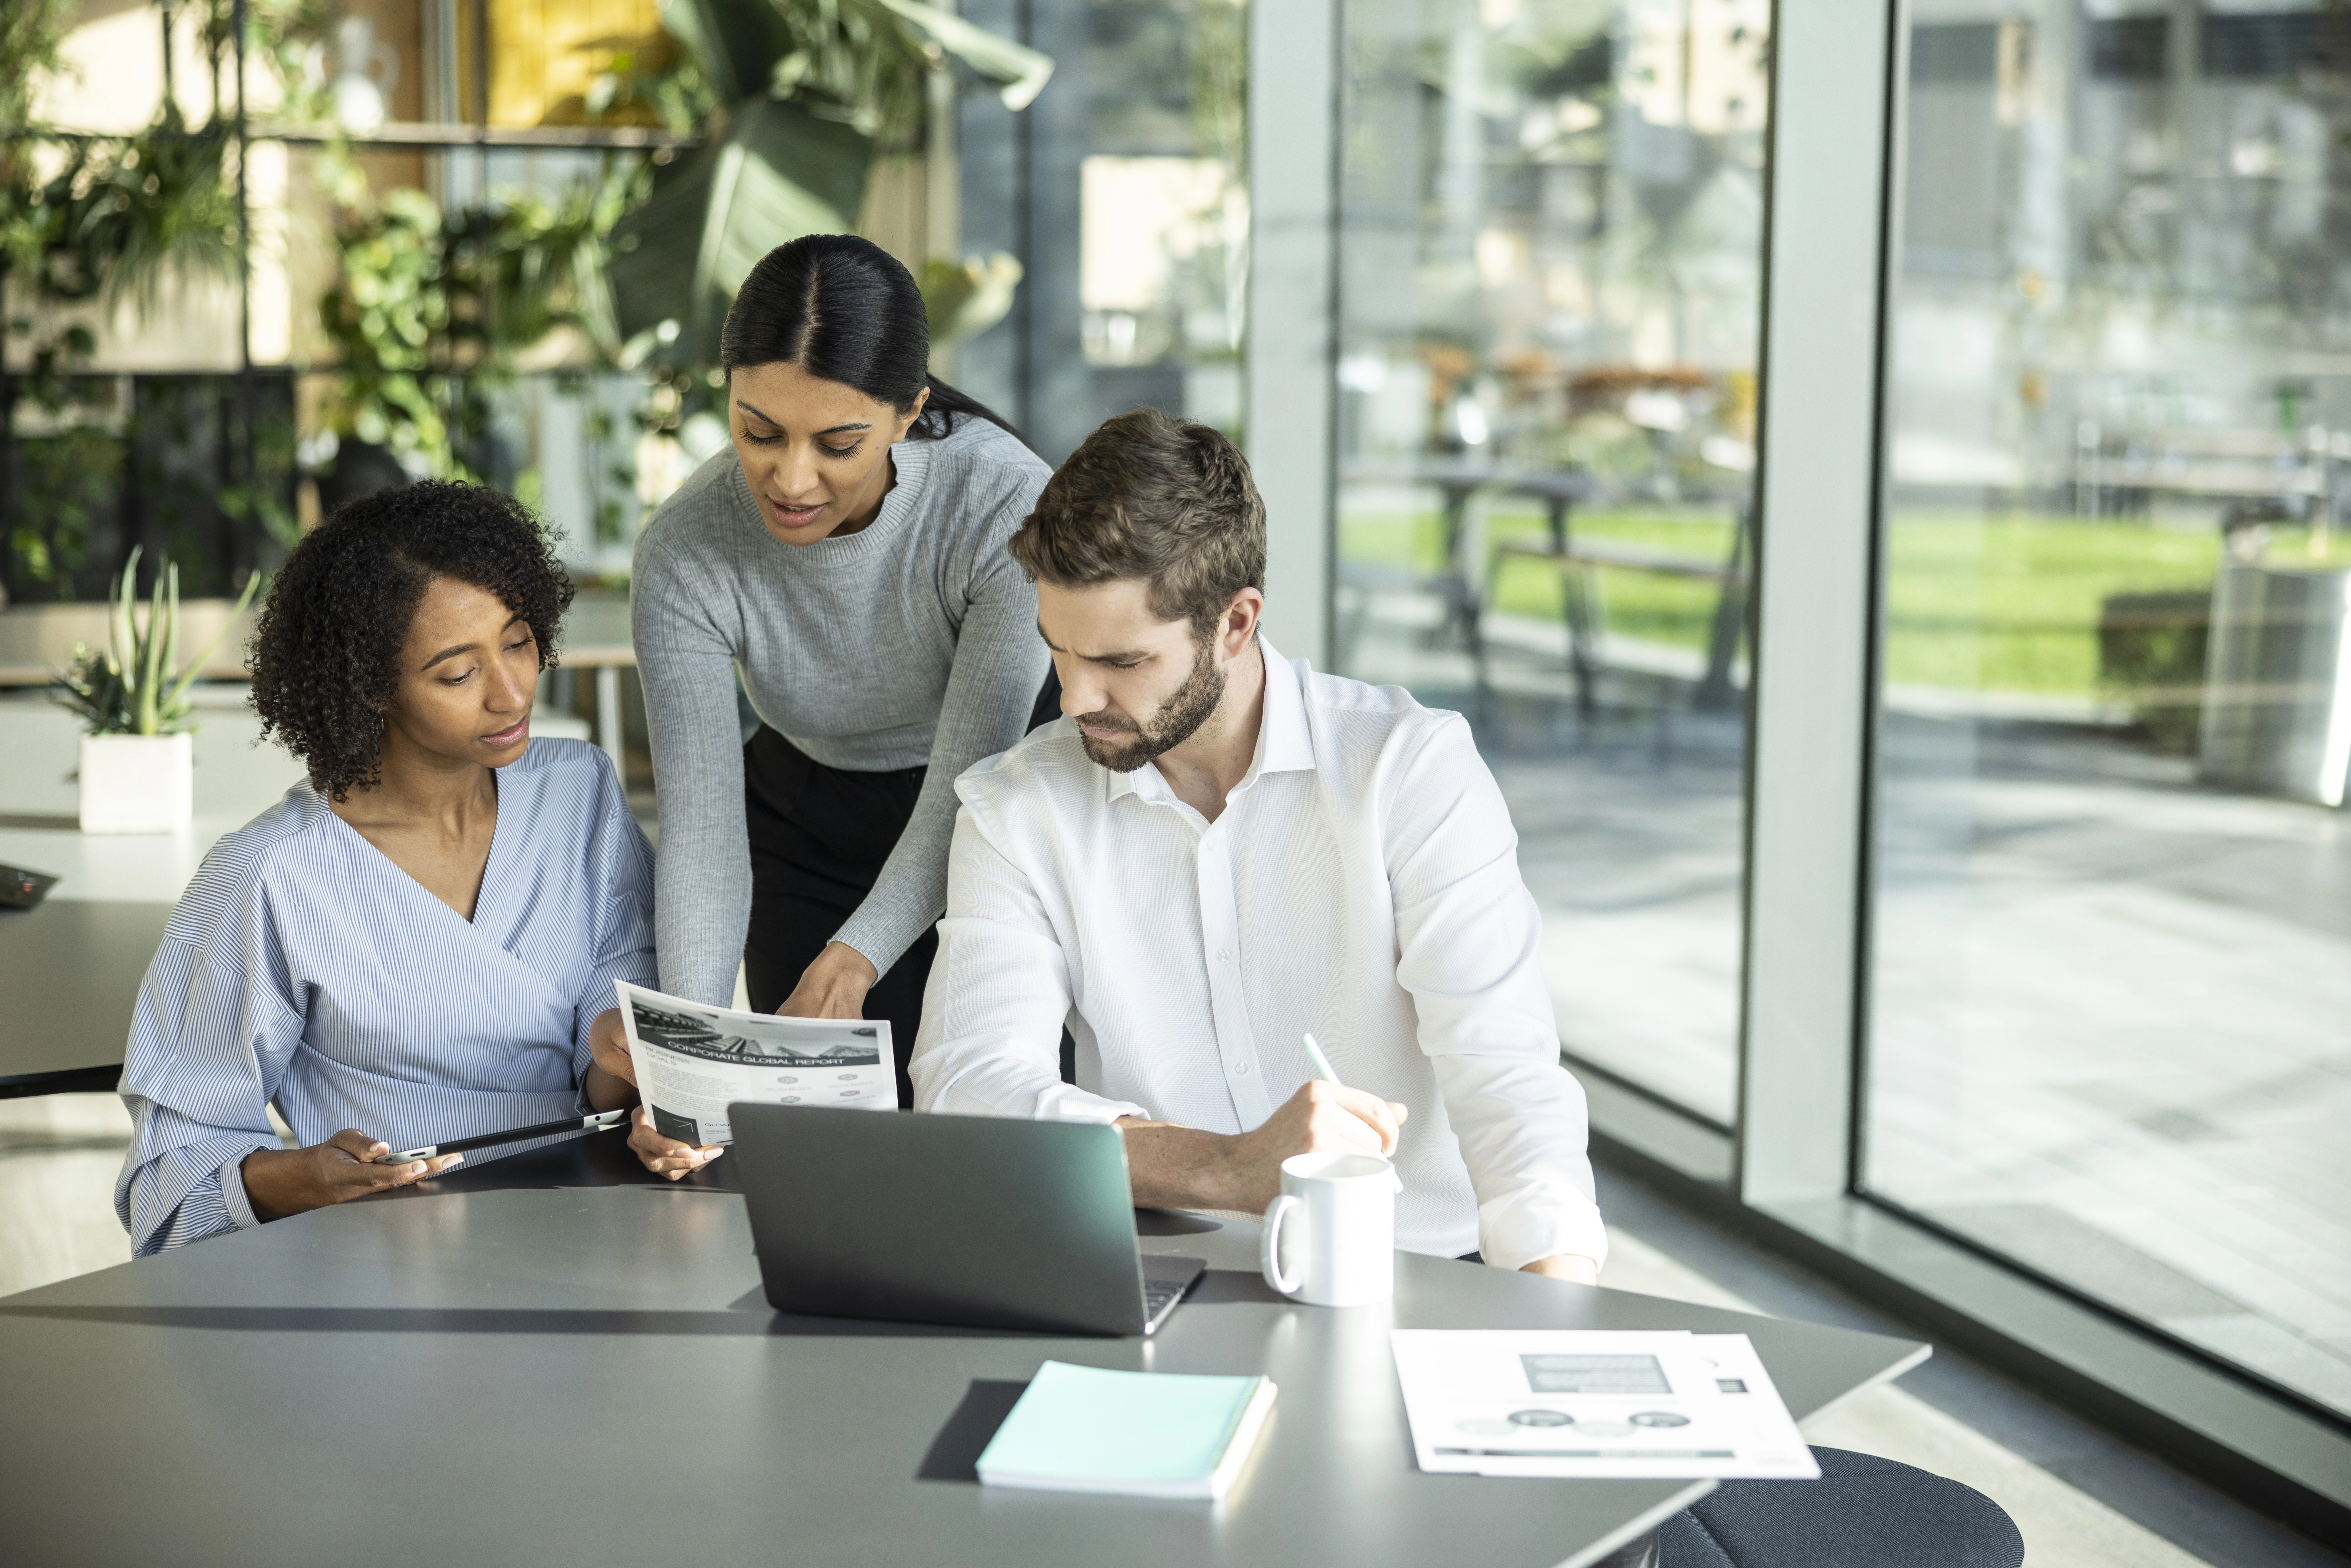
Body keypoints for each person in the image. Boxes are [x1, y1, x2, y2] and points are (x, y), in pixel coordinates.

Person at [908, 408, 1606, 1279]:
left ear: (1235, 624)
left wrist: (1555, 1313)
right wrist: (1225, 1167)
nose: (1075, 699)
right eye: (1059, 652)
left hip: (1419, 1266)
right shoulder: (1019, 808)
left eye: (1123, 664)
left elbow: (1507, 1079)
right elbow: (969, 1091)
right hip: (1162, 1270)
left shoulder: (1408, 770)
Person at [114, 484, 661, 1255]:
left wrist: (616, 1052)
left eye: (518, 640)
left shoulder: (580, 791)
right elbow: (165, 1178)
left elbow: (618, 980)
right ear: (371, 687)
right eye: (456, 674)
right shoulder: (270, 876)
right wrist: (304, 1178)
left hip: (599, 1231)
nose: (512, 692)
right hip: (396, 1268)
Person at [621, 234, 1053, 1169]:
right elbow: (700, 830)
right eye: (759, 430)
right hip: (806, 813)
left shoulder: (1006, 507)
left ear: (909, 415)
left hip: (997, 819)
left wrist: (858, 955)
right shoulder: (685, 551)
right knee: (812, 1158)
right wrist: (682, 1071)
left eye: (839, 443)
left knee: (995, 1148)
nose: (791, 479)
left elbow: (971, 780)